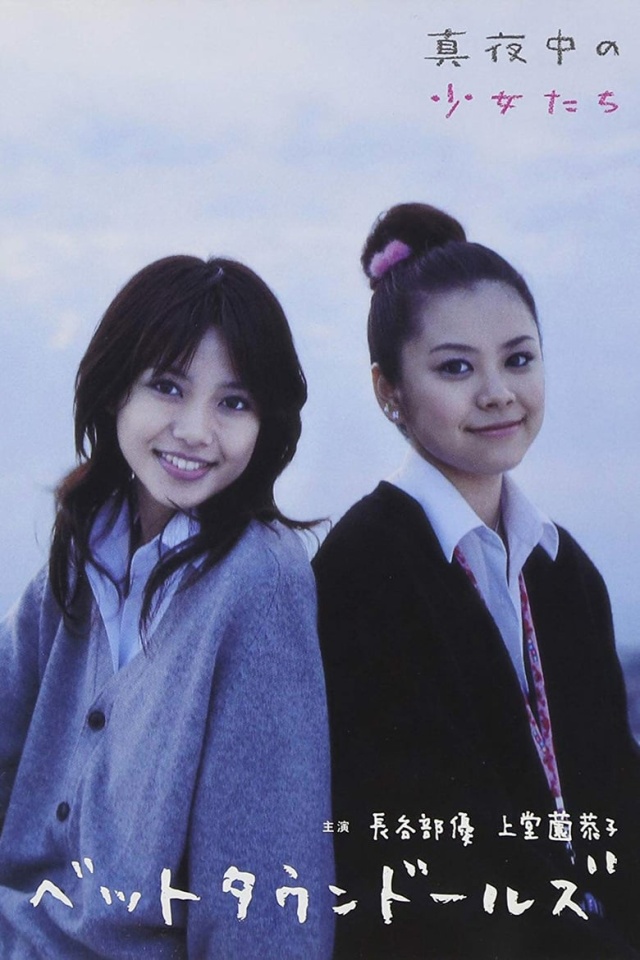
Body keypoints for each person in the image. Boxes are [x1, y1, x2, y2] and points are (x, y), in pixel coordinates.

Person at [313, 203, 640, 959]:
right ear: (388, 390)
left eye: (518, 360)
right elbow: (423, 846)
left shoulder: (564, 568)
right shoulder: (361, 569)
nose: (497, 392)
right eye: (456, 368)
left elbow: (614, 799)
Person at [0, 255, 334, 959]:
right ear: (114, 391)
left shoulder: (259, 580)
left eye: (233, 403)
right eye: (168, 387)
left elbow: (265, 887)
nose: (195, 430)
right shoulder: (85, 548)